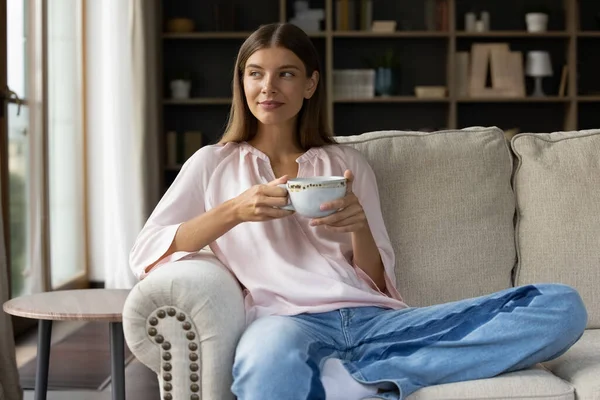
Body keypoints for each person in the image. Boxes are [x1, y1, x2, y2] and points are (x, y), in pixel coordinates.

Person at [129, 22, 588, 400]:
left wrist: (359, 228)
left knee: (560, 306)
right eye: (255, 73)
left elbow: (379, 278)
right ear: (242, 81)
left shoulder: (345, 164)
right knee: (263, 362)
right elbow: (145, 252)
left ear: (310, 83)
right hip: (284, 322)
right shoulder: (214, 162)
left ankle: (354, 378)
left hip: (376, 320)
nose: (268, 87)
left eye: (286, 74)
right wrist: (233, 210)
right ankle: (368, 378)